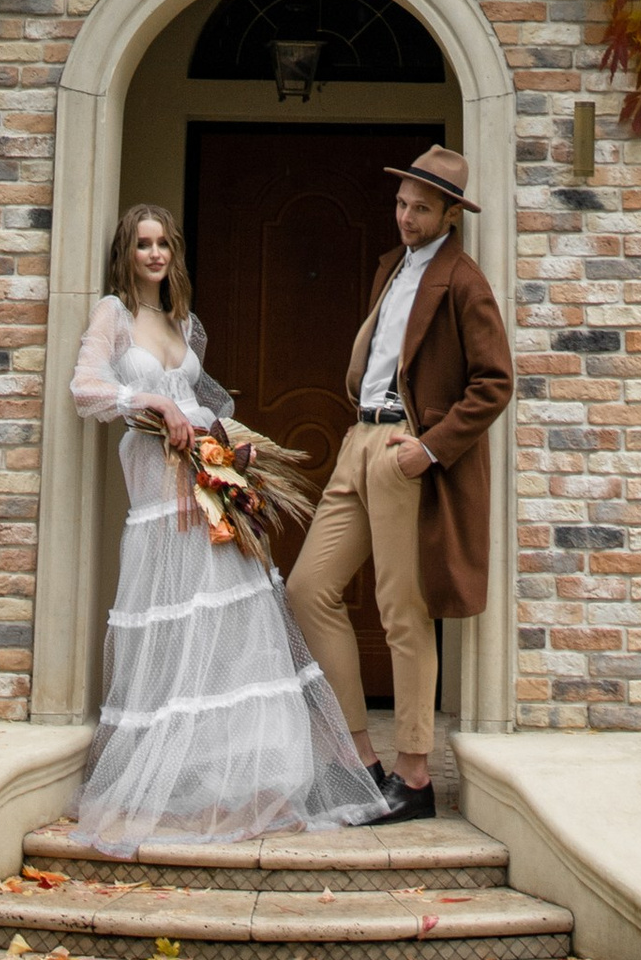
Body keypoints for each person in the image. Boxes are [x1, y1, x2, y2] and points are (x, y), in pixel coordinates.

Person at [66, 198, 388, 850]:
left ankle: (253, 777)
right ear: (125, 253)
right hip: (159, 503)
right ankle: (180, 779)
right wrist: (150, 399)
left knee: (236, 622)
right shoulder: (114, 315)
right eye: (142, 244)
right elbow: (85, 389)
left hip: (210, 486)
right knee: (180, 623)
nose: (154, 255)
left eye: (163, 244)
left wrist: (218, 433)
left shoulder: (185, 323)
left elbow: (210, 398)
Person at [285, 143, 513, 821]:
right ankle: (361, 760)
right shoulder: (392, 267)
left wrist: (429, 449)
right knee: (307, 589)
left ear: (449, 215)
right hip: (358, 436)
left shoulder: (464, 280)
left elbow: (495, 383)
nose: (405, 216)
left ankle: (413, 778)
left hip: (401, 449)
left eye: (420, 208)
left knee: (400, 613)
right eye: (401, 204)